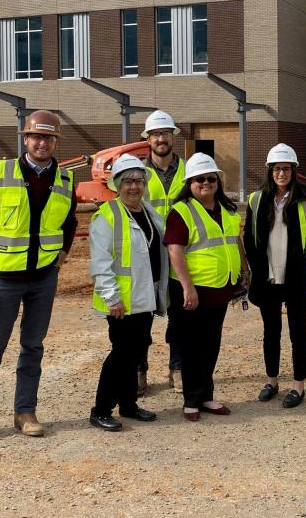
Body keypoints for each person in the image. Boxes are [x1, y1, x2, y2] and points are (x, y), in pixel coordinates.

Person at [0, 110, 77, 447]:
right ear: (26, 139)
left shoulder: (66, 180)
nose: (42, 143)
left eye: (49, 138)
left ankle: (25, 412)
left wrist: (59, 262)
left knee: (32, 347)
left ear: (56, 142)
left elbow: (69, 225)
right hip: (3, 277)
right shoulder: (3, 171)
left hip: (43, 279)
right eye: (36, 137)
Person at [88, 154, 168, 431]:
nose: (134, 186)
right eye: (128, 181)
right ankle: (101, 409)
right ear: (117, 184)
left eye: (138, 181)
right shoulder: (107, 216)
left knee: (136, 353)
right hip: (121, 302)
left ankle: (129, 405)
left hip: (144, 298)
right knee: (121, 355)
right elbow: (100, 262)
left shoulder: (148, 212)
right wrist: (112, 298)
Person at [164, 153, 246, 421]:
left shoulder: (228, 209)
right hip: (193, 290)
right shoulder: (182, 211)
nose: (206, 183)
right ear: (190, 182)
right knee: (191, 346)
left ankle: (206, 396)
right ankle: (191, 399)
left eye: (211, 178)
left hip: (219, 288)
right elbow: (175, 250)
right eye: (200, 179)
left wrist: (244, 270)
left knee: (211, 344)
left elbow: (235, 242)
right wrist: (187, 286)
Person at [245, 144, 306, 408]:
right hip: (268, 278)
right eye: (277, 169)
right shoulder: (257, 200)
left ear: (293, 171)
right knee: (271, 332)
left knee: (298, 331)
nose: (281, 173)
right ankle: (272, 381)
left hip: (296, 279)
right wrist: (256, 269)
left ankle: (298, 385)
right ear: (270, 171)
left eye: (286, 169)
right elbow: (249, 238)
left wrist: (303, 264)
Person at [139, 109, 186, 395]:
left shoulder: (189, 170)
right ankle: (139, 369)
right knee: (142, 316)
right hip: (147, 252)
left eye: (166, 134)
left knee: (180, 316)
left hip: (182, 251)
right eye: (156, 134)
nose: (161, 139)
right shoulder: (137, 173)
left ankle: (177, 368)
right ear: (148, 139)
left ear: (173, 137)